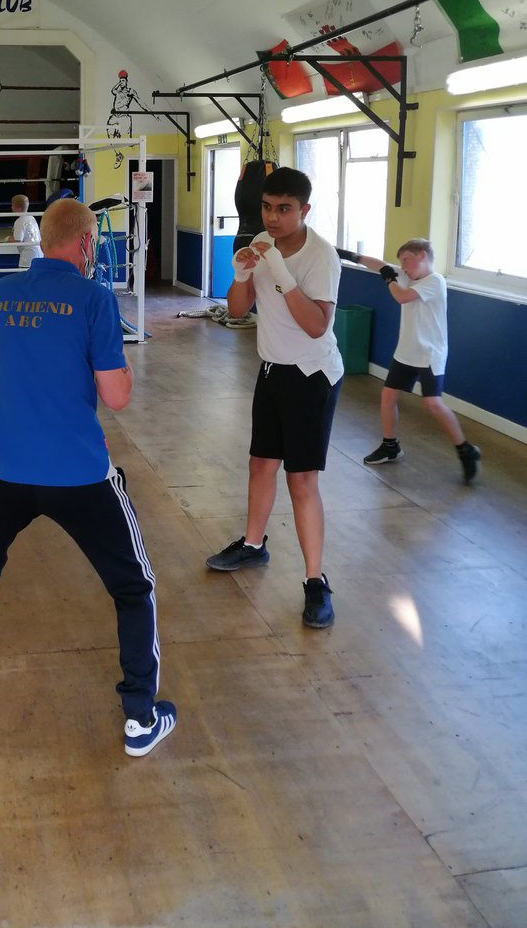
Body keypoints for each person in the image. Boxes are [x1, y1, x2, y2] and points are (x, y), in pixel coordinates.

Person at [0, 198, 176, 756]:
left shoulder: (2, 294)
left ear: (42, 240)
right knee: (133, 586)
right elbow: (116, 398)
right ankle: (141, 718)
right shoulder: (94, 298)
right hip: (80, 475)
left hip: (10, 469)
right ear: (88, 243)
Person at [205, 167, 344, 629]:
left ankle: (315, 581)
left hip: (311, 375)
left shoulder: (321, 257)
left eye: (285, 209)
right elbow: (236, 310)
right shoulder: (260, 243)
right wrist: (243, 274)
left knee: (301, 480)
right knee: (260, 464)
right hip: (271, 370)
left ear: (305, 209)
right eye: (267, 207)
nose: (274, 217)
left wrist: (281, 273)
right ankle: (252, 545)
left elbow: (316, 325)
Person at [339, 239, 481, 482]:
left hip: (430, 353)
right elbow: (381, 265)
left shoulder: (434, 281)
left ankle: (465, 450)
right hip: (406, 352)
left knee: (432, 403)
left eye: (406, 260)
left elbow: (402, 297)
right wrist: (345, 254)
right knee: (388, 395)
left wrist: (389, 277)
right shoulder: (406, 275)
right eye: (401, 261)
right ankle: (390, 445)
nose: (403, 266)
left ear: (422, 256)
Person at [6, 193, 42, 267]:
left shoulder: (20, 221)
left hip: (28, 255)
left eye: (13, 205)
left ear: (18, 208)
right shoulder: (31, 218)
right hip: (39, 253)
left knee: (25, 275)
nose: (11, 207)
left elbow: (17, 241)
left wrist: (7, 239)